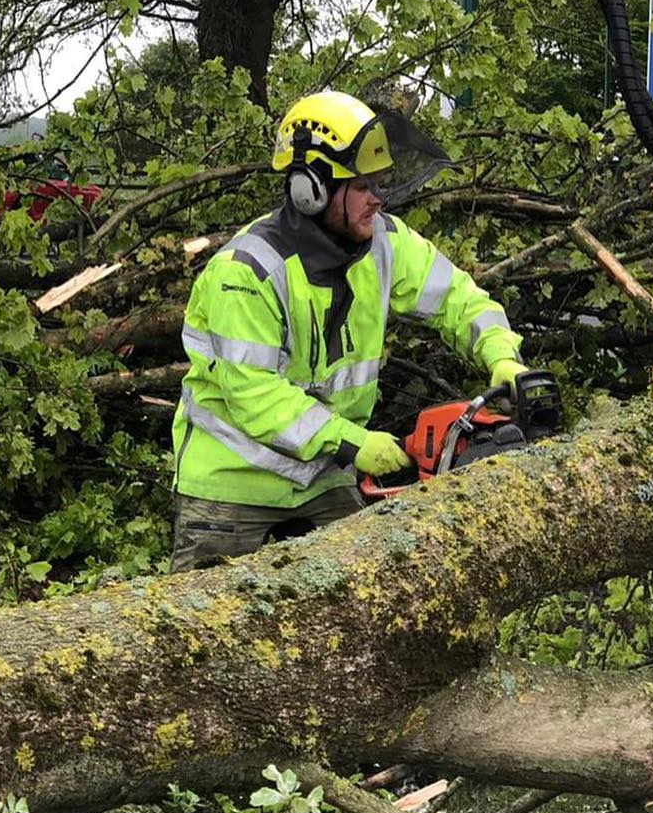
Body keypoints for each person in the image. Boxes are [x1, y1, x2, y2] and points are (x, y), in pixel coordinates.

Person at [169, 89, 530, 571]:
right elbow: (256, 396)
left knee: (367, 606)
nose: (378, 198)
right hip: (233, 484)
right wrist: (355, 443)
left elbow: (458, 298)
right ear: (310, 189)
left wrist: (500, 354)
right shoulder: (247, 271)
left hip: (325, 475)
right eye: (363, 186)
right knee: (203, 636)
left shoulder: (385, 243)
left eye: (381, 183)